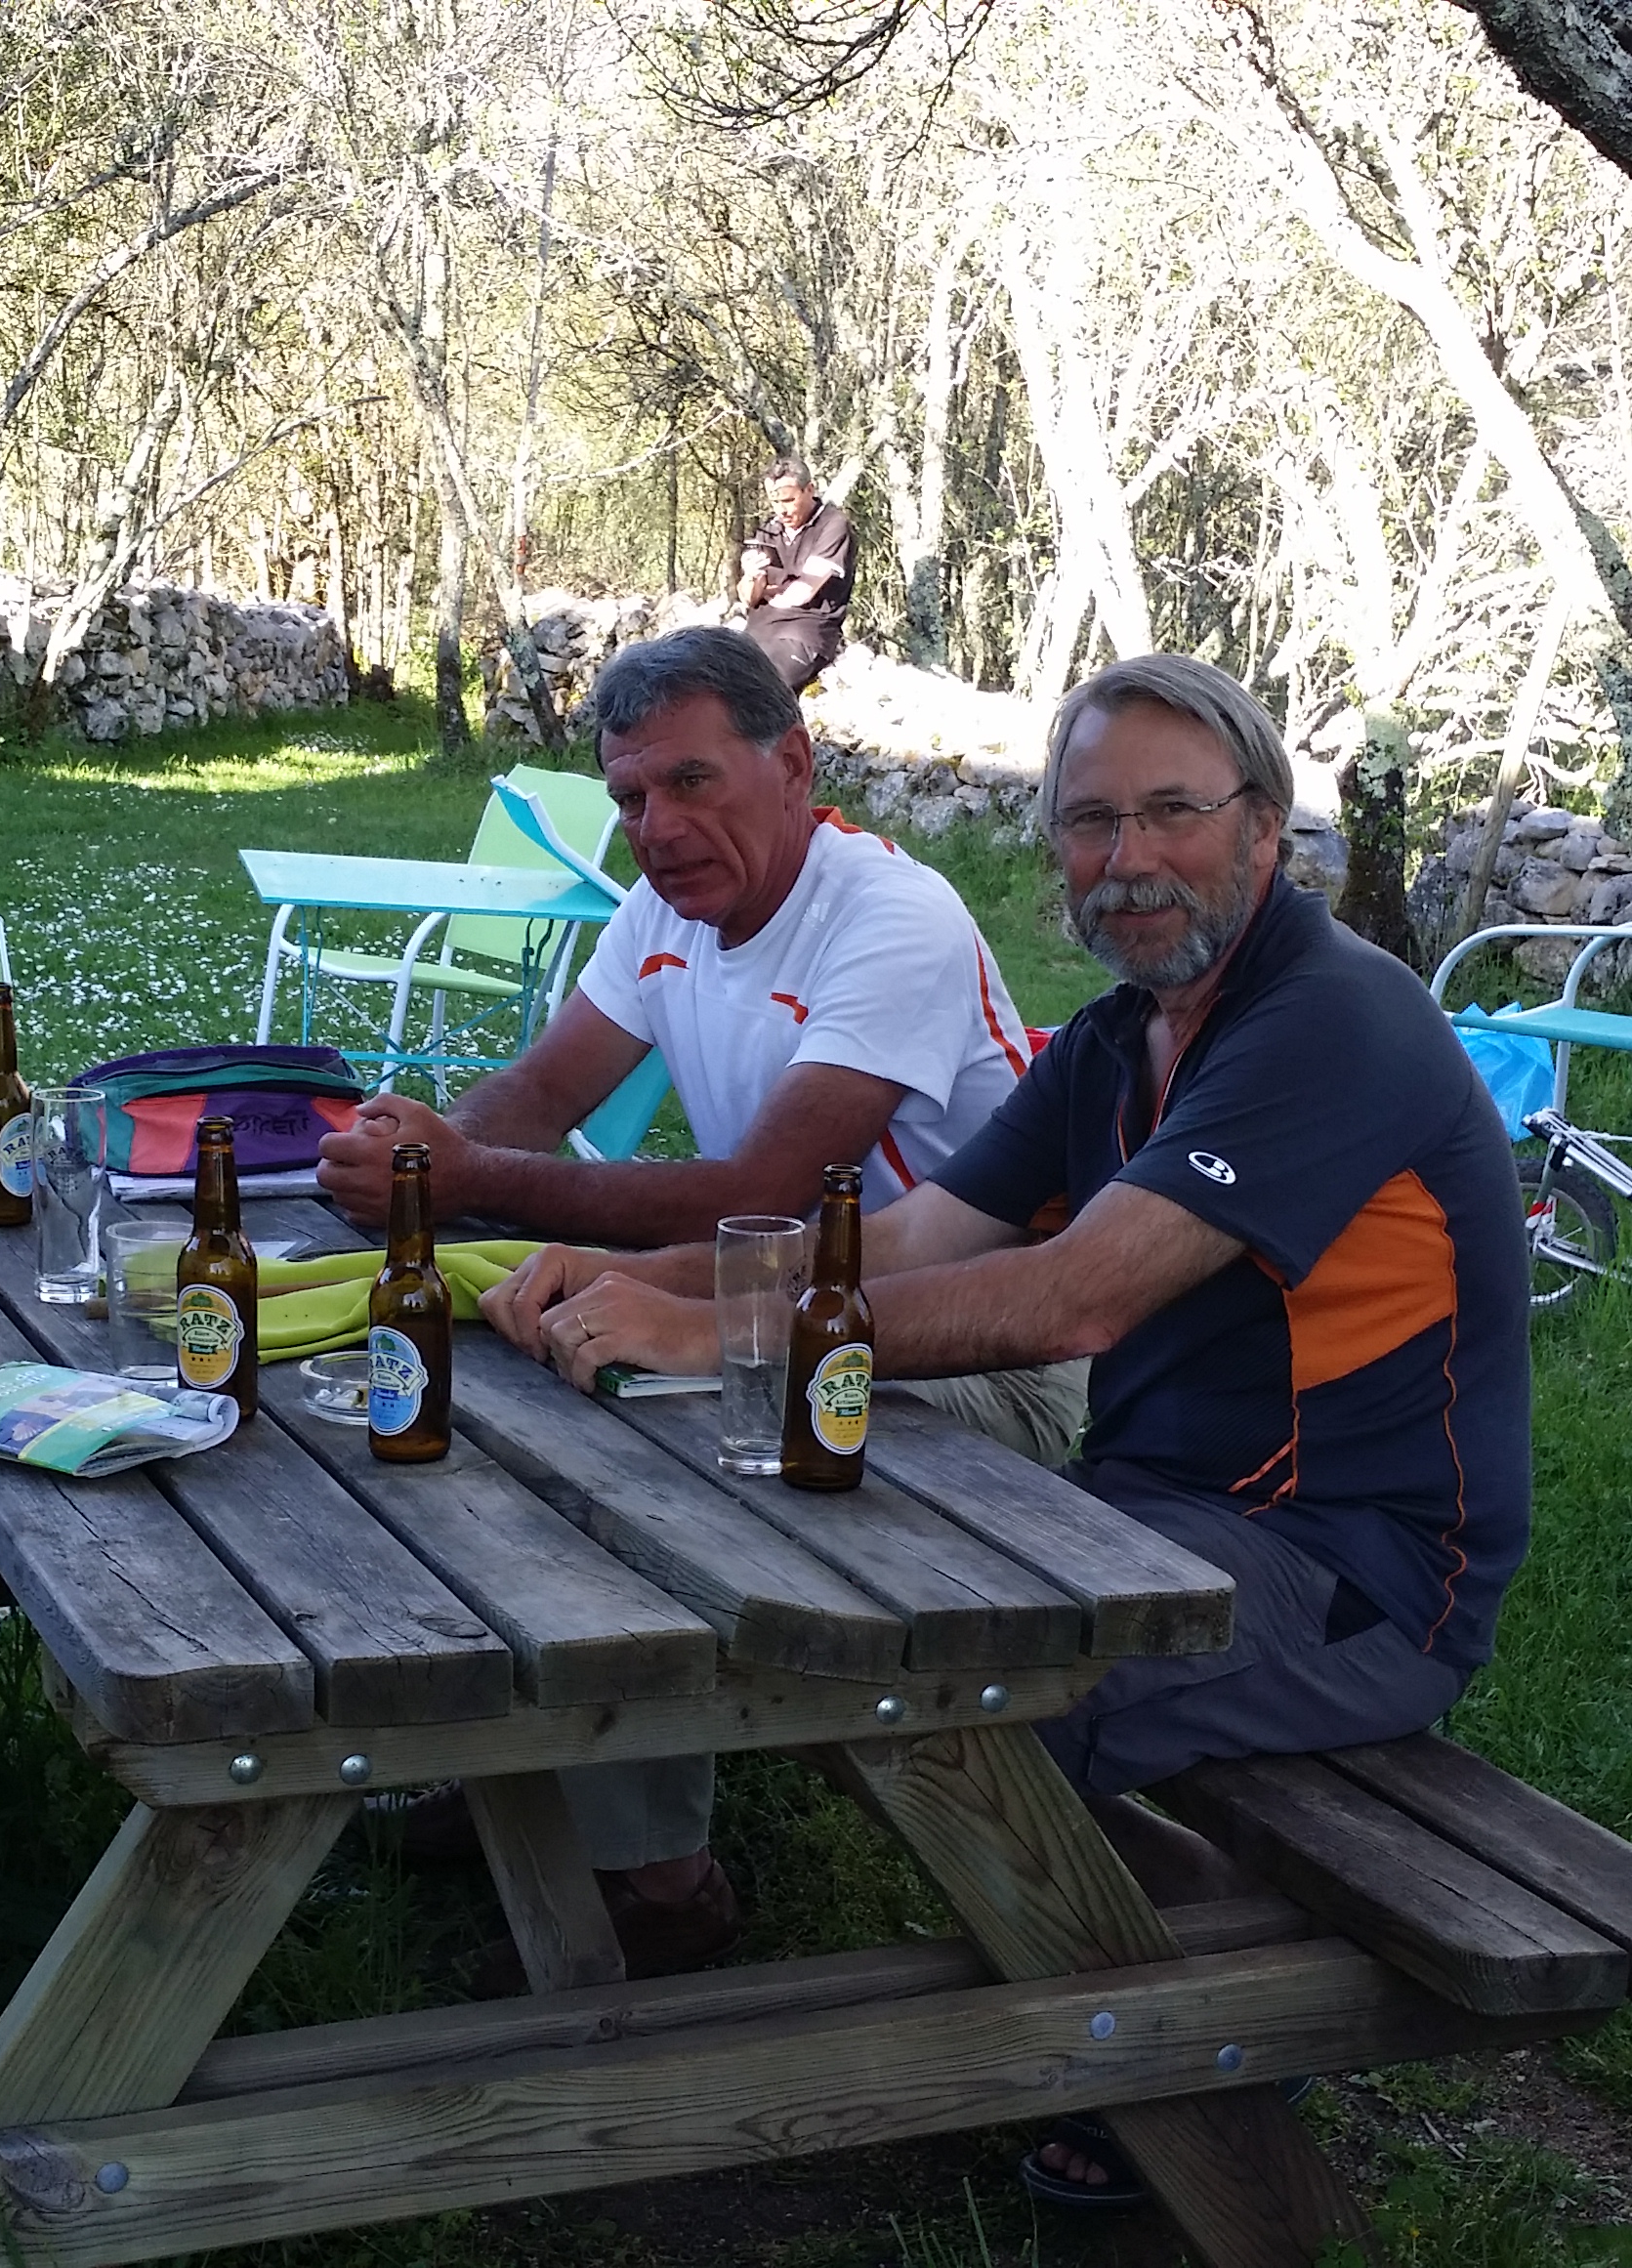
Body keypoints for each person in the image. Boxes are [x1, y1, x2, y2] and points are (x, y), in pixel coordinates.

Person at [482, 653, 1531, 2088]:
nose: (1130, 857)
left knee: (936, 1683)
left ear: (1264, 827)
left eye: (1172, 812)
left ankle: (1214, 2044)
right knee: (839, 1617)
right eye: (1091, 821)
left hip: (1357, 1574)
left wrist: (722, 1332)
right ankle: (1138, 1973)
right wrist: (647, 1283)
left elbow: (1075, 1298)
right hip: (1140, 1516)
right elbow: (913, 1235)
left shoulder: (1335, 1018)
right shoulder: (1116, 1039)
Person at [316, 625, 1068, 1987]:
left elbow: (764, 1191)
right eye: (628, 797)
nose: (656, 828)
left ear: (795, 766)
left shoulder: (891, 916)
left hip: (976, 1344)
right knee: (525, 1365)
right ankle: (528, 1766)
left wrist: (472, 1176)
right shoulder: (670, 904)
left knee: (634, 1415)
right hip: (787, 1308)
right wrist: (425, 1162)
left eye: (691, 782)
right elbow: (542, 1092)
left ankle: (660, 1880)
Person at [734, 460, 853, 693]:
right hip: (757, 631)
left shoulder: (832, 525)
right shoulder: (768, 530)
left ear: (809, 489)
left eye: (789, 500)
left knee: (759, 686)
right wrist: (751, 576)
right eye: (774, 502)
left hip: (805, 633)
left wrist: (770, 591)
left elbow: (802, 592)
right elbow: (748, 598)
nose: (782, 511)